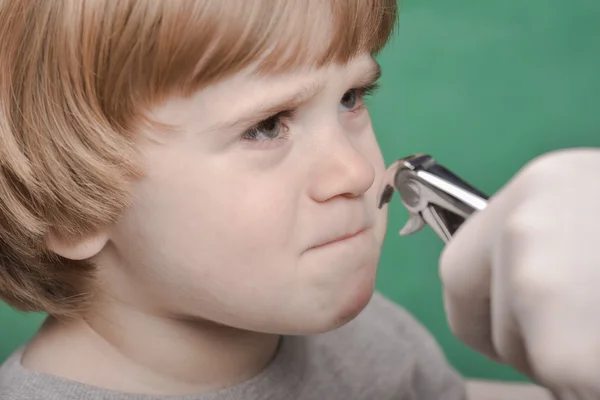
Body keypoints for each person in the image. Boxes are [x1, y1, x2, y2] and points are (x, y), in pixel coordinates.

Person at [0, 1, 597, 399]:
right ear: (73, 205)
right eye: (266, 126)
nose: (357, 170)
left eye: (352, 98)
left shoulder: (369, 338)